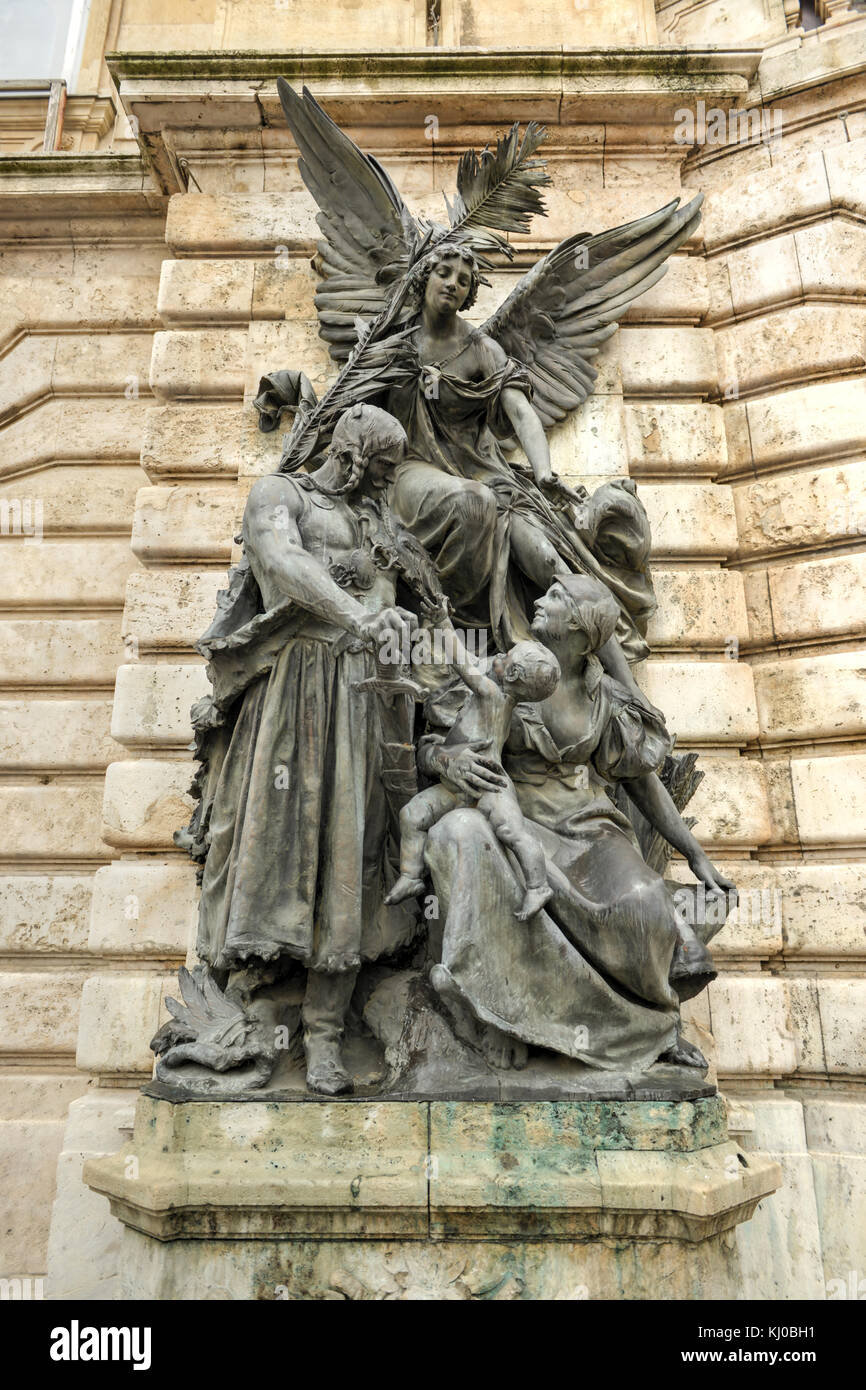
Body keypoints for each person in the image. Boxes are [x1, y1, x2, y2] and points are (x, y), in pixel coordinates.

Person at [189, 404, 431, 1096]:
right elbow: (282, 561)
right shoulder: (279, 495)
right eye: (382, 467)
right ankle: (249, 1023)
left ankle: (325, 1037)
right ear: (354, 453)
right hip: (290, 689)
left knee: (350, 859)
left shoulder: (374, 523)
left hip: (361, 698)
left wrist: (394, 618)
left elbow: (390, 598)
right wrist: (359, 614)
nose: (385, 483)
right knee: (272, 849)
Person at [418, 574, 736, 1073]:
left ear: (582, 632)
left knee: (642, 900)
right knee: (463, 836)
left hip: (589, 827)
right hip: (516, 817)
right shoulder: (511, 669)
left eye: (557, 597)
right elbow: (440, 742)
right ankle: (500, 1014)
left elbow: (641, 779)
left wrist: (695, 852)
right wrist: (446, 763)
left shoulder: (603, 695)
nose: (540, 600)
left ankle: (654, 1026)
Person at [386, 635, 560, 921]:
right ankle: (411, 875)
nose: (500, 655)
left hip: (490, 785)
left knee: (513, 831)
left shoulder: (492, 694)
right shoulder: (497, 696)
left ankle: (538, 886)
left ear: (513, 674)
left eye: (506, 658)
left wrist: (442, 623)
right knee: (412, 815)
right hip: (454, 786)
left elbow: (463, 664)